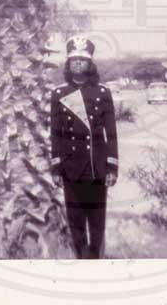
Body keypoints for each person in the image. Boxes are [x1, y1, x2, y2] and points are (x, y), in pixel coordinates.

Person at [49, 35, 118, 259]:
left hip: (96, 166)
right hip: (71, 168)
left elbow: (111, 133)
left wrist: (112, 167)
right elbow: (55, 133)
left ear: (90, 63)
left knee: (97, 221)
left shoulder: (102, 92)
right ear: (68, 63)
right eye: (74, 59)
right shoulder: (59, 93)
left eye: (82, 59)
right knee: (76, 221)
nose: (78, 63)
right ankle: (81, 260)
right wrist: (56, 167)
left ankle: (95, 259)